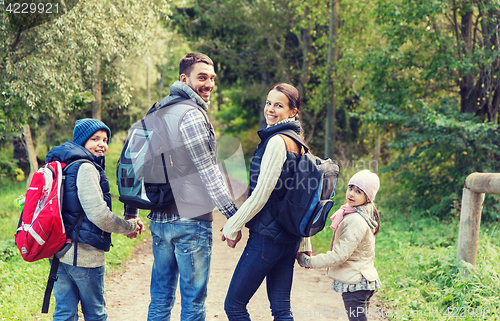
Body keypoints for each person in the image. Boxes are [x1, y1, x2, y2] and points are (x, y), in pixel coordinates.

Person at [123, 52, 239, 321]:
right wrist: (234, 216)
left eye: (212, 79)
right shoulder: (192, 114)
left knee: (161, 297)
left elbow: (133, 164)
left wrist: (132, 212)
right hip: (190, 222)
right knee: (193, 303)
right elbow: (208, 170)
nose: (209, 84)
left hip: (160, 221)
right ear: (184, 79)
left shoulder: (156, 111)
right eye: (202, 78)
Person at [221, 83, 311, 320]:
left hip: (266, 240)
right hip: (288, 240)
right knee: (281, 310)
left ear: (293, 112)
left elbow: (260, 195)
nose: (270, 109)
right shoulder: (301, 145)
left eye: (278, 105)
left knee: (234, 305)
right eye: (269, 103)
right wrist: (303, 242)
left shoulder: (277, 142)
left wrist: (233, 224)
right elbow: (301, 200)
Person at [45, 118, 144, 321]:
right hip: (84, 255)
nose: (102, 144)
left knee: (64, 313)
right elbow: (99, 215)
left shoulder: (62, 165)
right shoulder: (86, 168)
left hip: (58, 252)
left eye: (105, 139)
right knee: (95, 314)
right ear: (82, 141)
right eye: (95, 139)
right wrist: (129, 226)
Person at [297, 169, 382, 321]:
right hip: (363, 280)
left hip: (356, 282)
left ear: (368, 198)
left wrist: (310, 261)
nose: (351, 194)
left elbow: (339, 255)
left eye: (359, 191)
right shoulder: (359, 214)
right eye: (351, 188)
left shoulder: (356, 220)